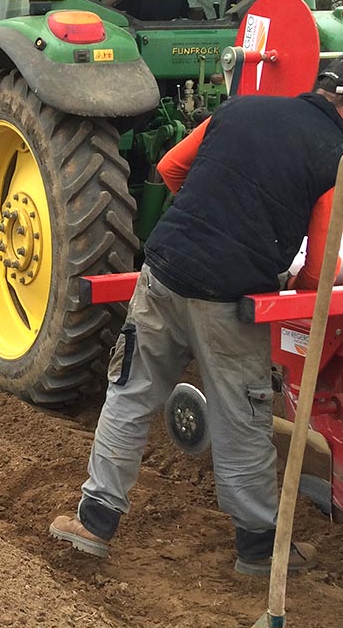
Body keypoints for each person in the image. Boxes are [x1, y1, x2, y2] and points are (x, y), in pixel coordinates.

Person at [49, 58, 343, 575]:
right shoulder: (334, 156)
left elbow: (169, 168)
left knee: (130, 392)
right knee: (242, 417)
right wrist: (291, 292)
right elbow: (319, 265)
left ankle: (92, 524)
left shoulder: (239, 109)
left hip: (163, 271)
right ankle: (258, 549)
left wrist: (211, 219)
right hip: (231, 296)